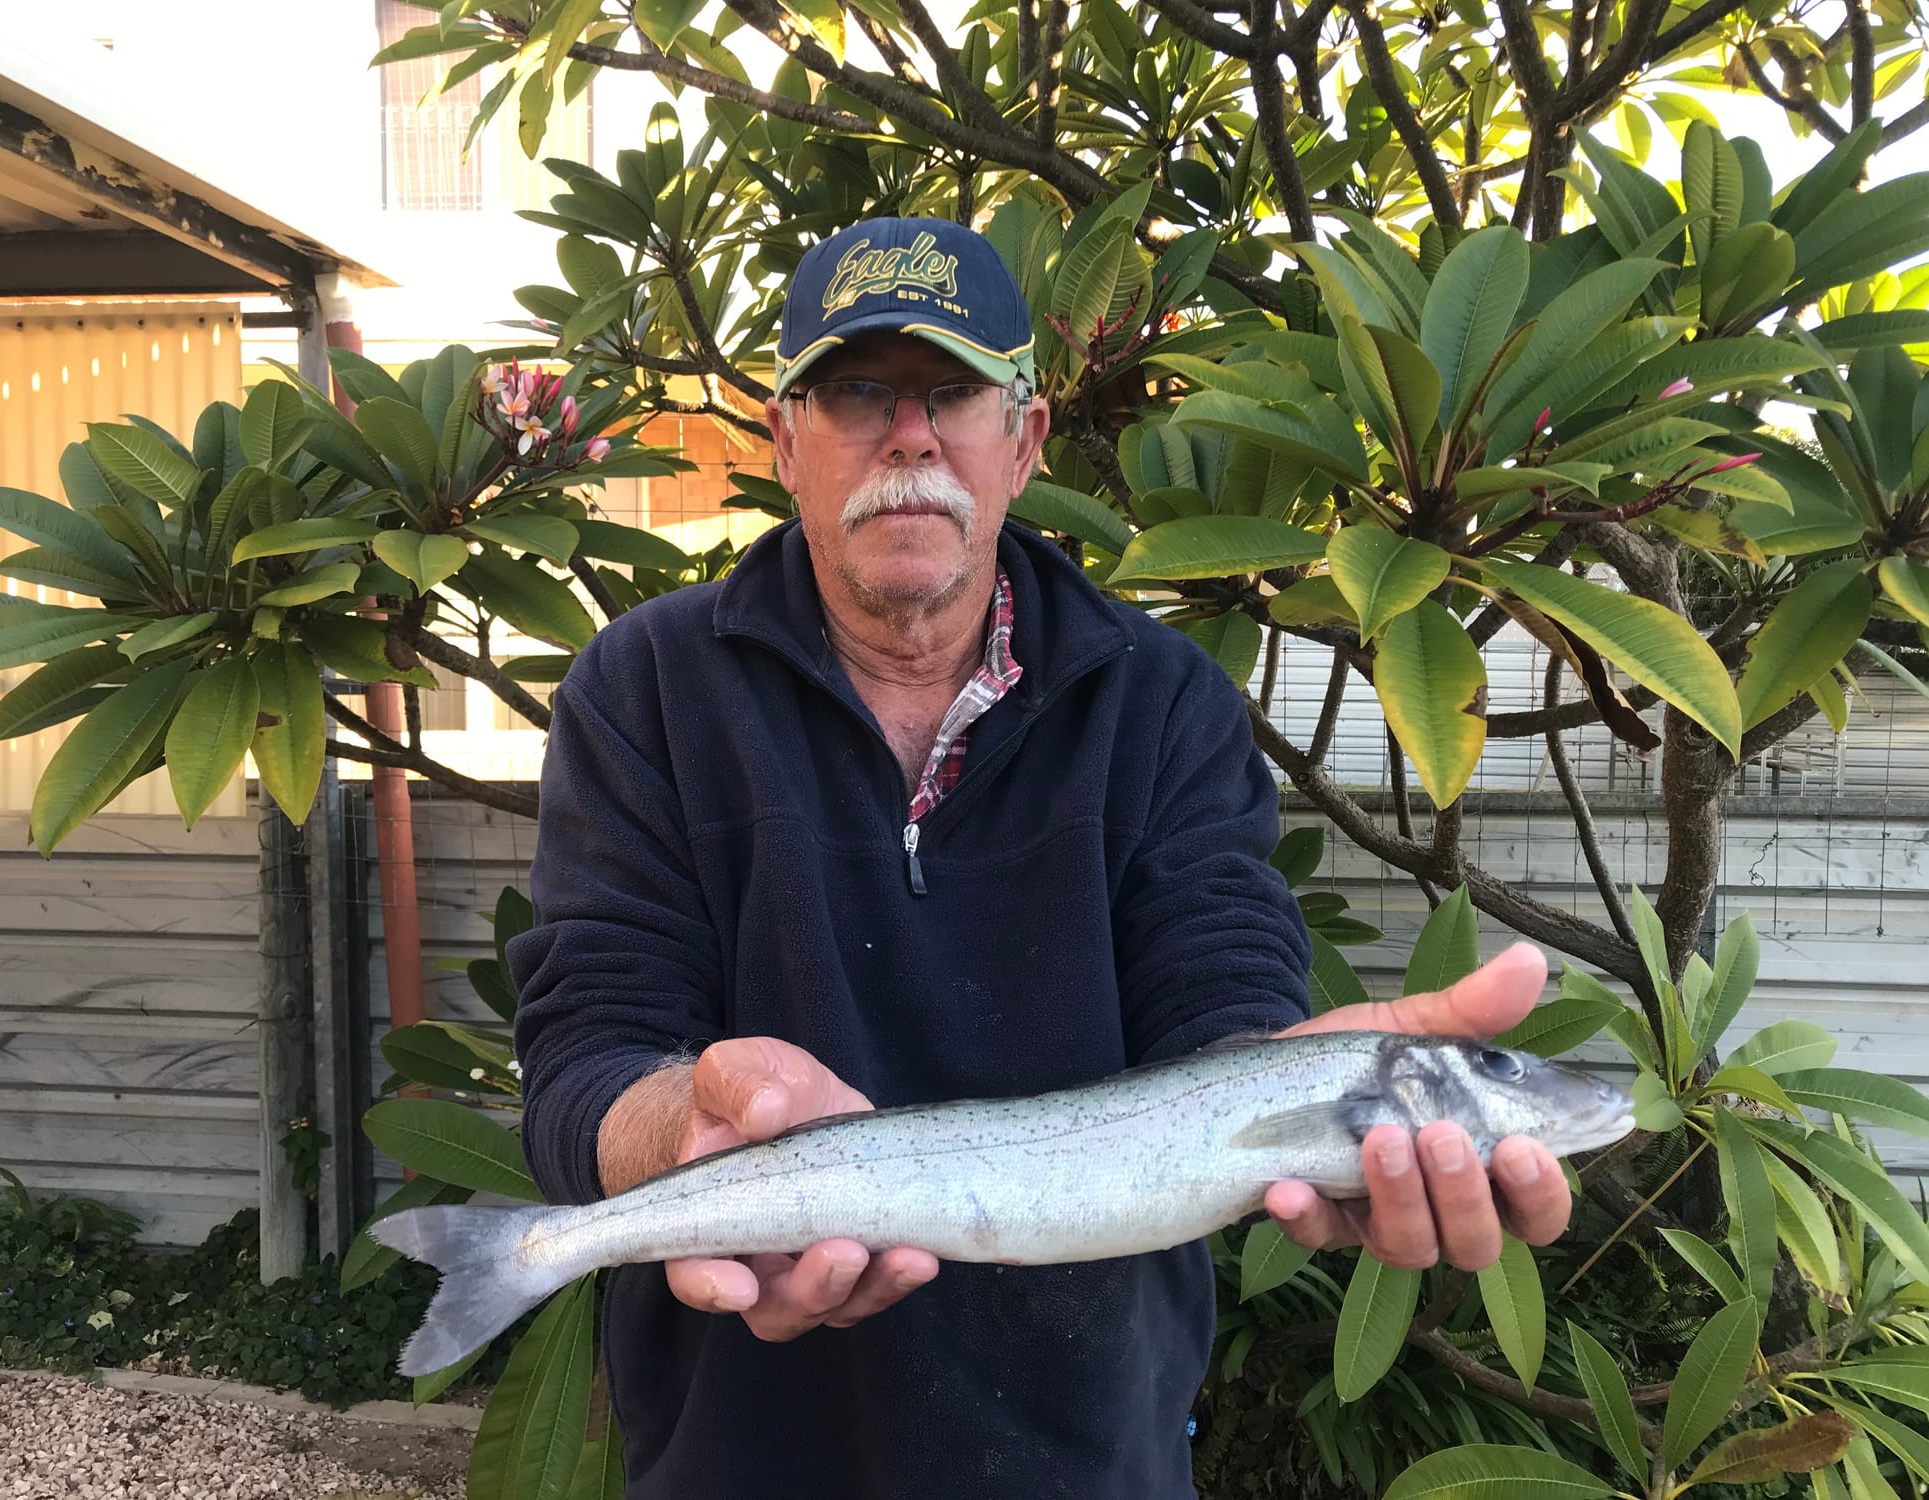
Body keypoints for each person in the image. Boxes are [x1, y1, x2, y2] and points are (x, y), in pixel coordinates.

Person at [509, 216, 1573, 1499]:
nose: (910, 437)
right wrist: (688, 1126)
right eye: (856, 393)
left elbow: (1220, 988)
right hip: (734, 1451)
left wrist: (1295, 1117)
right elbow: (586, 1051)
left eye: (953, 391)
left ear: (1022, 437)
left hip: (1089, 1447)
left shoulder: (1164, 701)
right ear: (785, 440)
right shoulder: (641, 688)